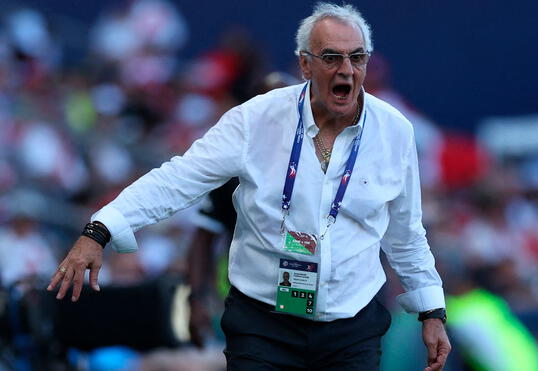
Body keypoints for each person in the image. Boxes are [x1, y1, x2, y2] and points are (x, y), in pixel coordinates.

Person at [47, 3, 450, 370]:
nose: (346, 69)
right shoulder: (255, 119)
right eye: (331, 57)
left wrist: (431, 311)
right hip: (264, 326)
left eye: (356, 57)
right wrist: (100, 229)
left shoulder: (395, 131)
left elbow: (406, 233)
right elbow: (178, 179)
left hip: (352, 327)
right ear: (306, 65)